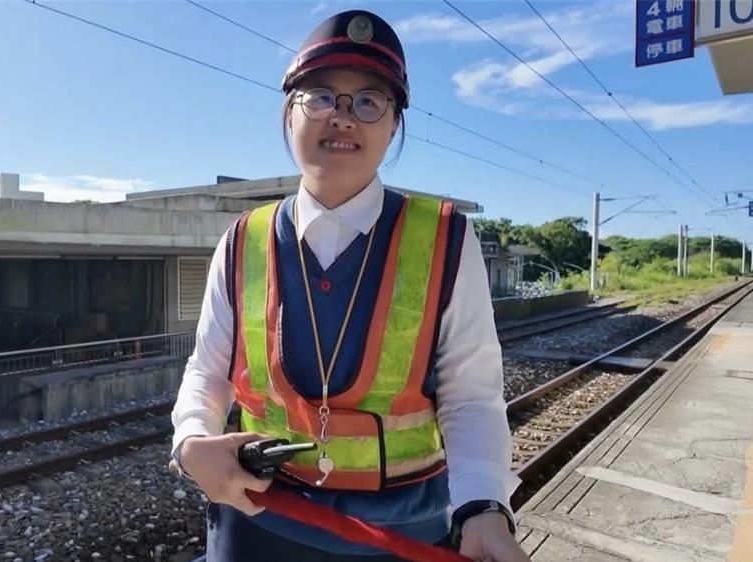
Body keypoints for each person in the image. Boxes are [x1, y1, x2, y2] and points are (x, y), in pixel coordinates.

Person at [169, 9, 529, 562]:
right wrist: (192, 437)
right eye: (319, 97)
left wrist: (482, 505)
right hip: (258, 518)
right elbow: (207, 370)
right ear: (288, 115)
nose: (342, 117)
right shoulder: (242, 241)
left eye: (368, 101)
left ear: (394, 124)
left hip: (403, 535)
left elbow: (471, 395)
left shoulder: (449, 240)